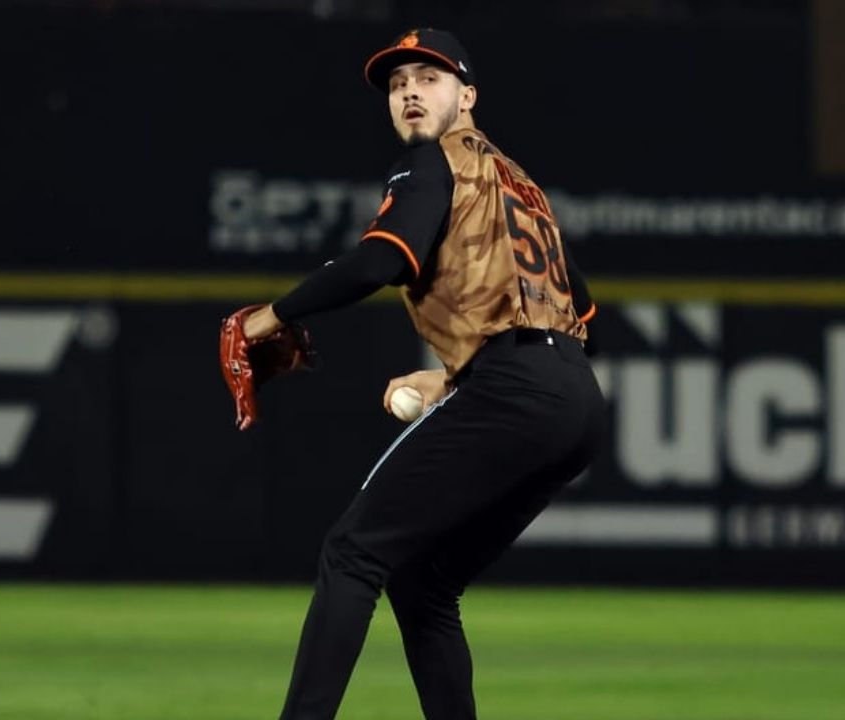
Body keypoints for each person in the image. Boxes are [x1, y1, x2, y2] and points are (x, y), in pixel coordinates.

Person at [239, 28, 604, 720]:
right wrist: (469, 372)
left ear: (467, 96)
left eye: (428, 78)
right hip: (574, 402)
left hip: (517, 389)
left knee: (352, 553)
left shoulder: (433, 164)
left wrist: (271, 316)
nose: (409, 90)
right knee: (424, 583)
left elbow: (383, 261)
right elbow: (583, 315)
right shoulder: (521, 187)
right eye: (398, 82)